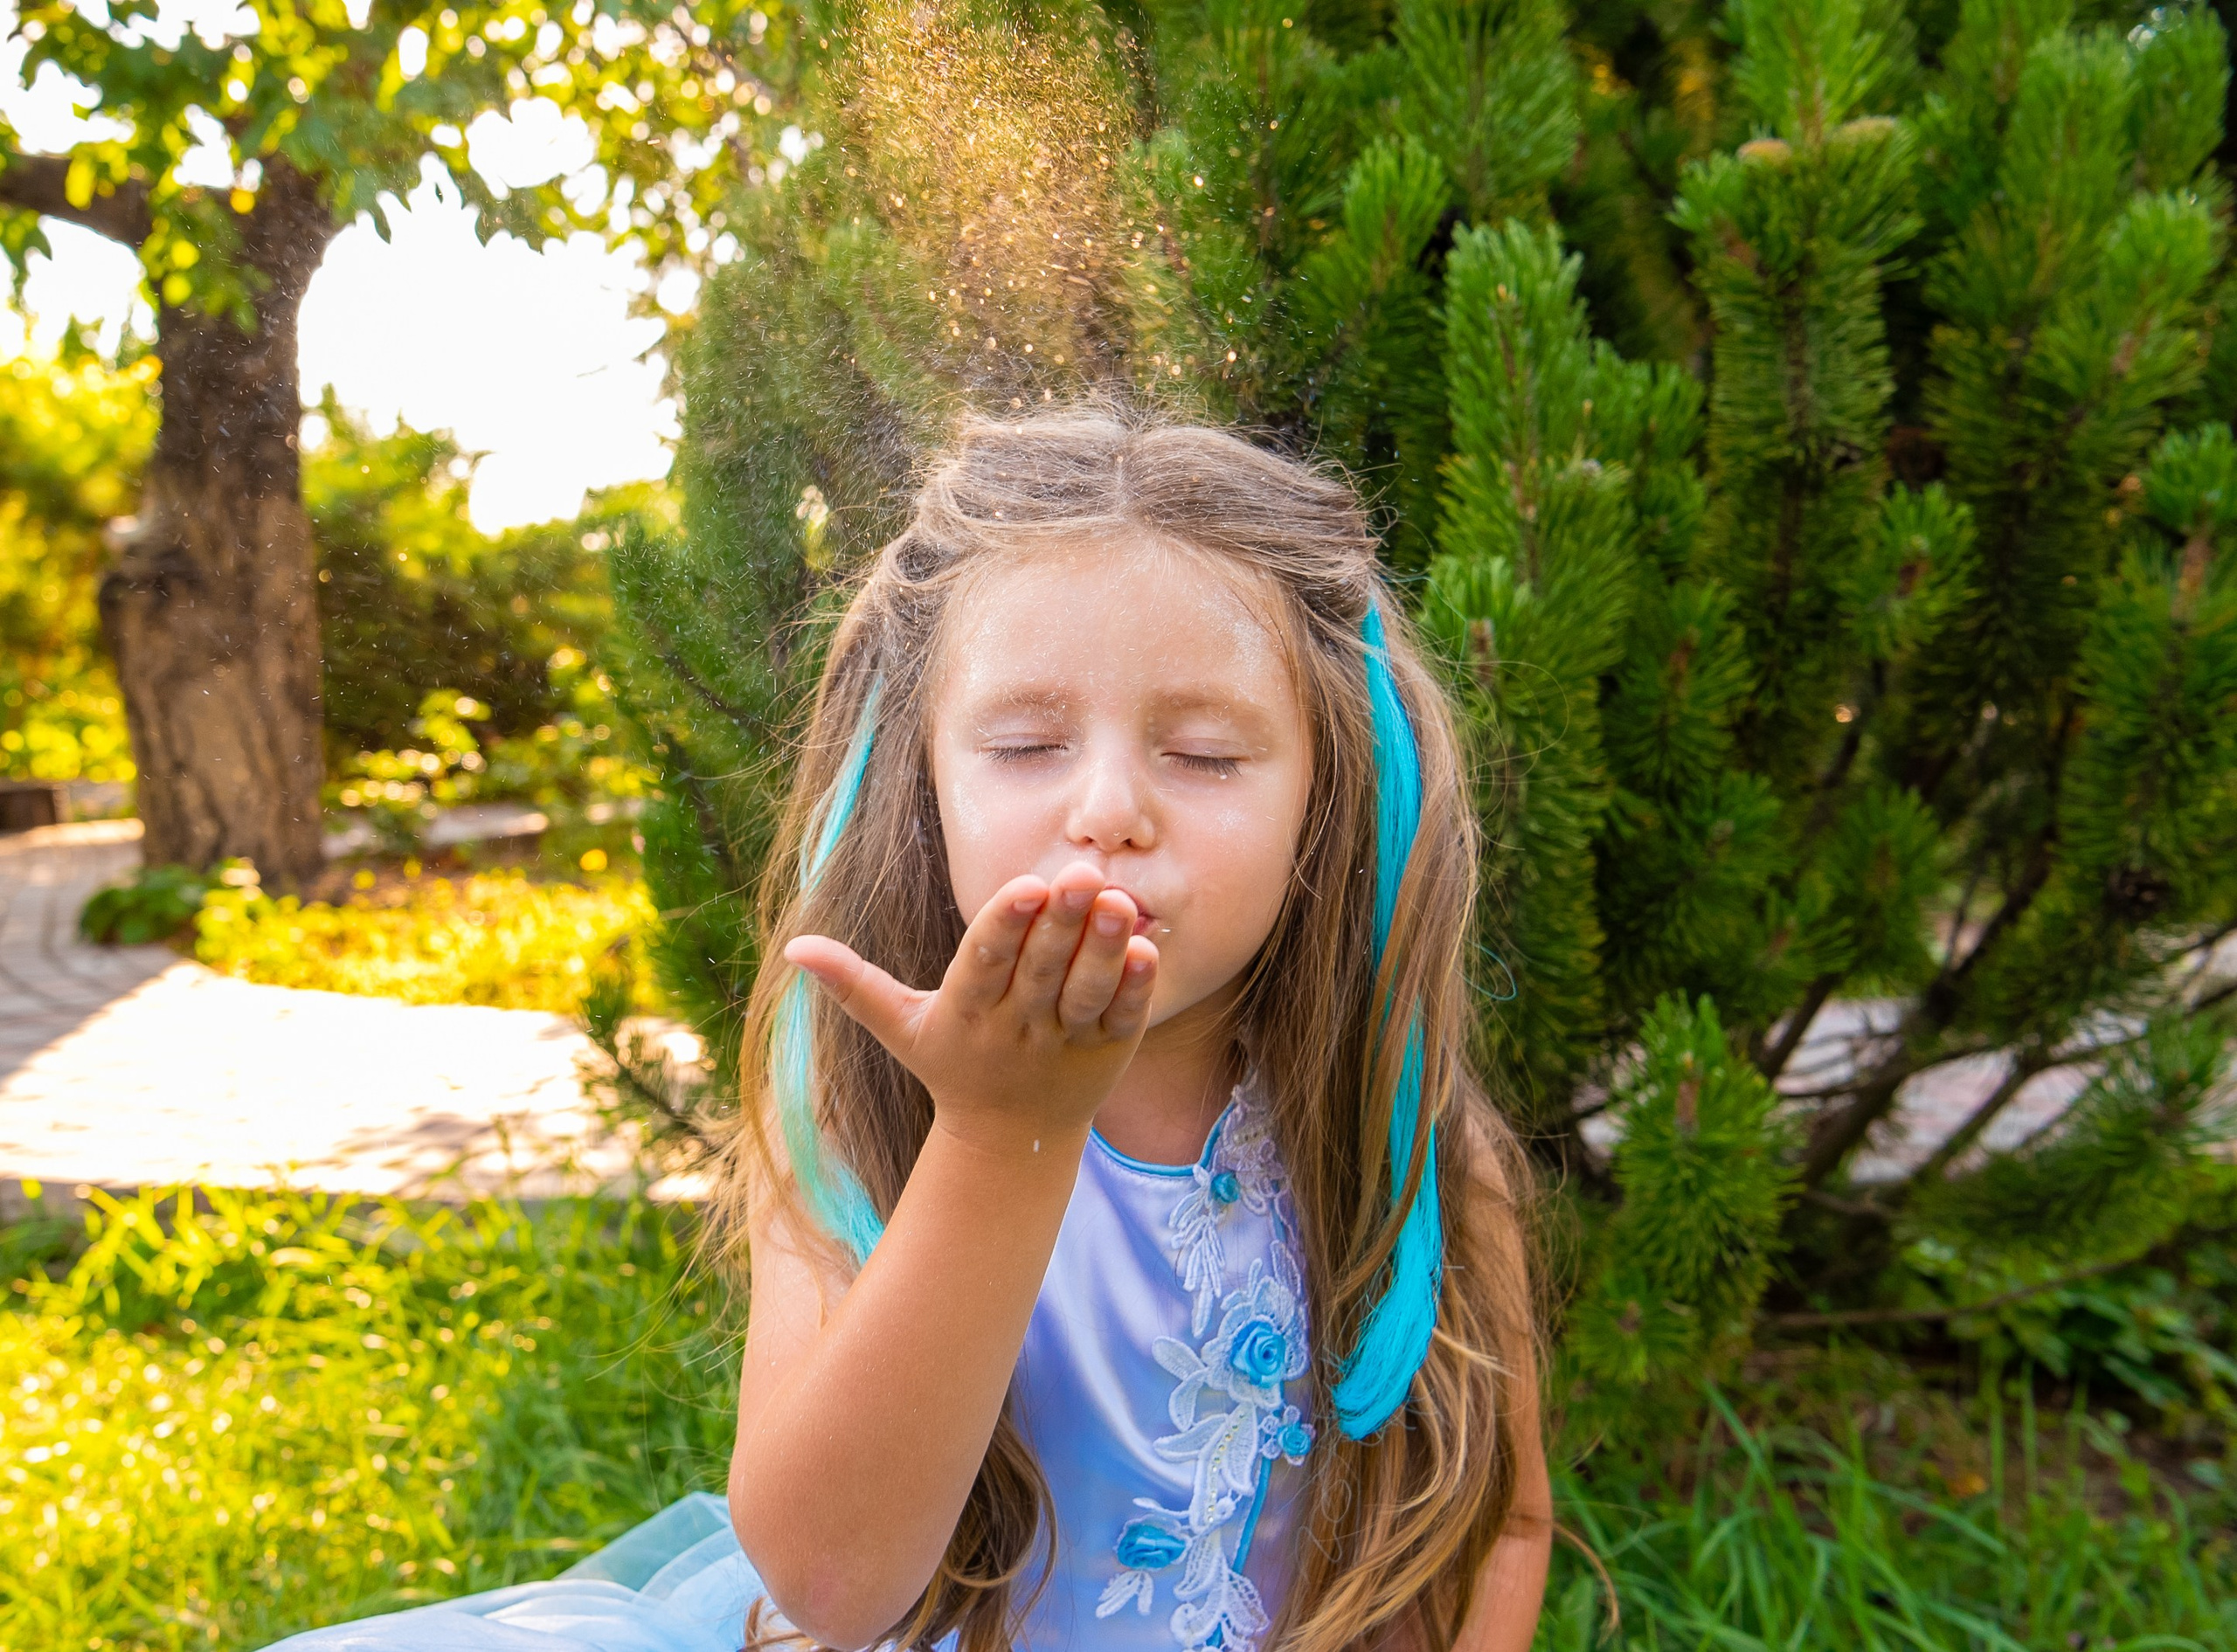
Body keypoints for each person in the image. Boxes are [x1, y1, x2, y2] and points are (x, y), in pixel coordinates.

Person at [267, 404, 1550, 1652]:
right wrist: (1002, 1134)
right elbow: (833, 1582)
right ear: (922, 784)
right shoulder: (849, 1110)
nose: (1107, 808)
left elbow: (1502, 1529)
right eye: (1030, 741)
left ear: (1331, 796)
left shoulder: (1410, 1157)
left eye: (1208, 755)